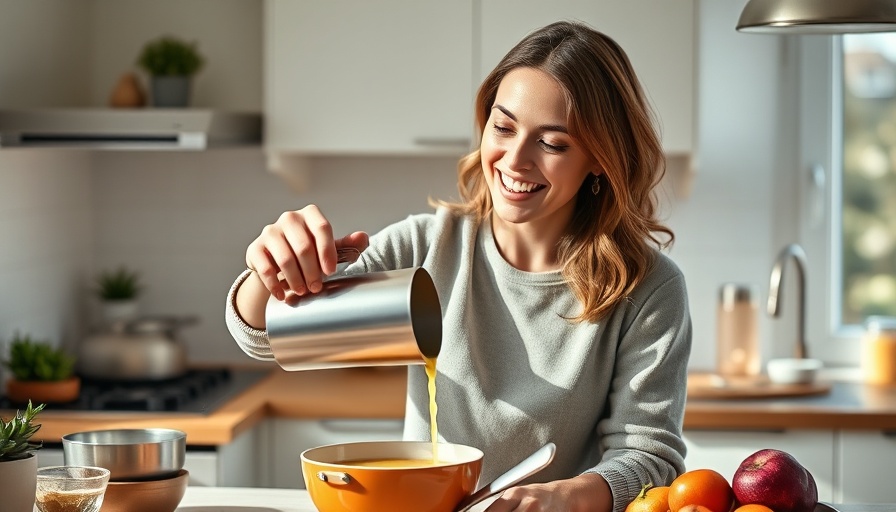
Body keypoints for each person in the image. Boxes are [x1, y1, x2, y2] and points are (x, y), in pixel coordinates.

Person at [225, 20, 691, 512]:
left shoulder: (648, 289)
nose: (515, 160)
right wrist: (270, 270)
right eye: (503, 127)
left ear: (599, 158)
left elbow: (647, 456)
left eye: (552, 143)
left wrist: (561, 497)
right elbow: (264, 337)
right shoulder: (426, 245)